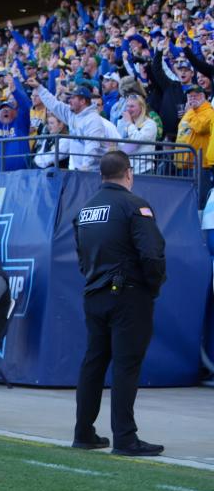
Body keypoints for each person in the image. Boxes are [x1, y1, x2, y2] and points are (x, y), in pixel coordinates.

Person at [72, 150, 166, 457]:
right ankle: (125, 438)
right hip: (128, 295)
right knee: (126, 366)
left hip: (95, 293)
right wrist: (152, 287)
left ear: (101, 176)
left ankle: (83, 432)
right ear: (129, 173)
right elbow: (151, 254)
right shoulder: (134, 205)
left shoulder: (85, 210)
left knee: (93, 363)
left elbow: (82, 257)